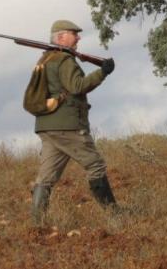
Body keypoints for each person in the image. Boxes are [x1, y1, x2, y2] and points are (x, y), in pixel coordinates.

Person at [31, 19, 118, 225]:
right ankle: (116, 215)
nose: (78, 37)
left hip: (47, 127)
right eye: (74, 34)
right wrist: (102, 72)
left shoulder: (45, 60)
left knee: (46, 178)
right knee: (95, 166)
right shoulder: (64, 60)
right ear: (61, 37)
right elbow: (77, 86)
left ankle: (37, 225)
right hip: (68, 126)